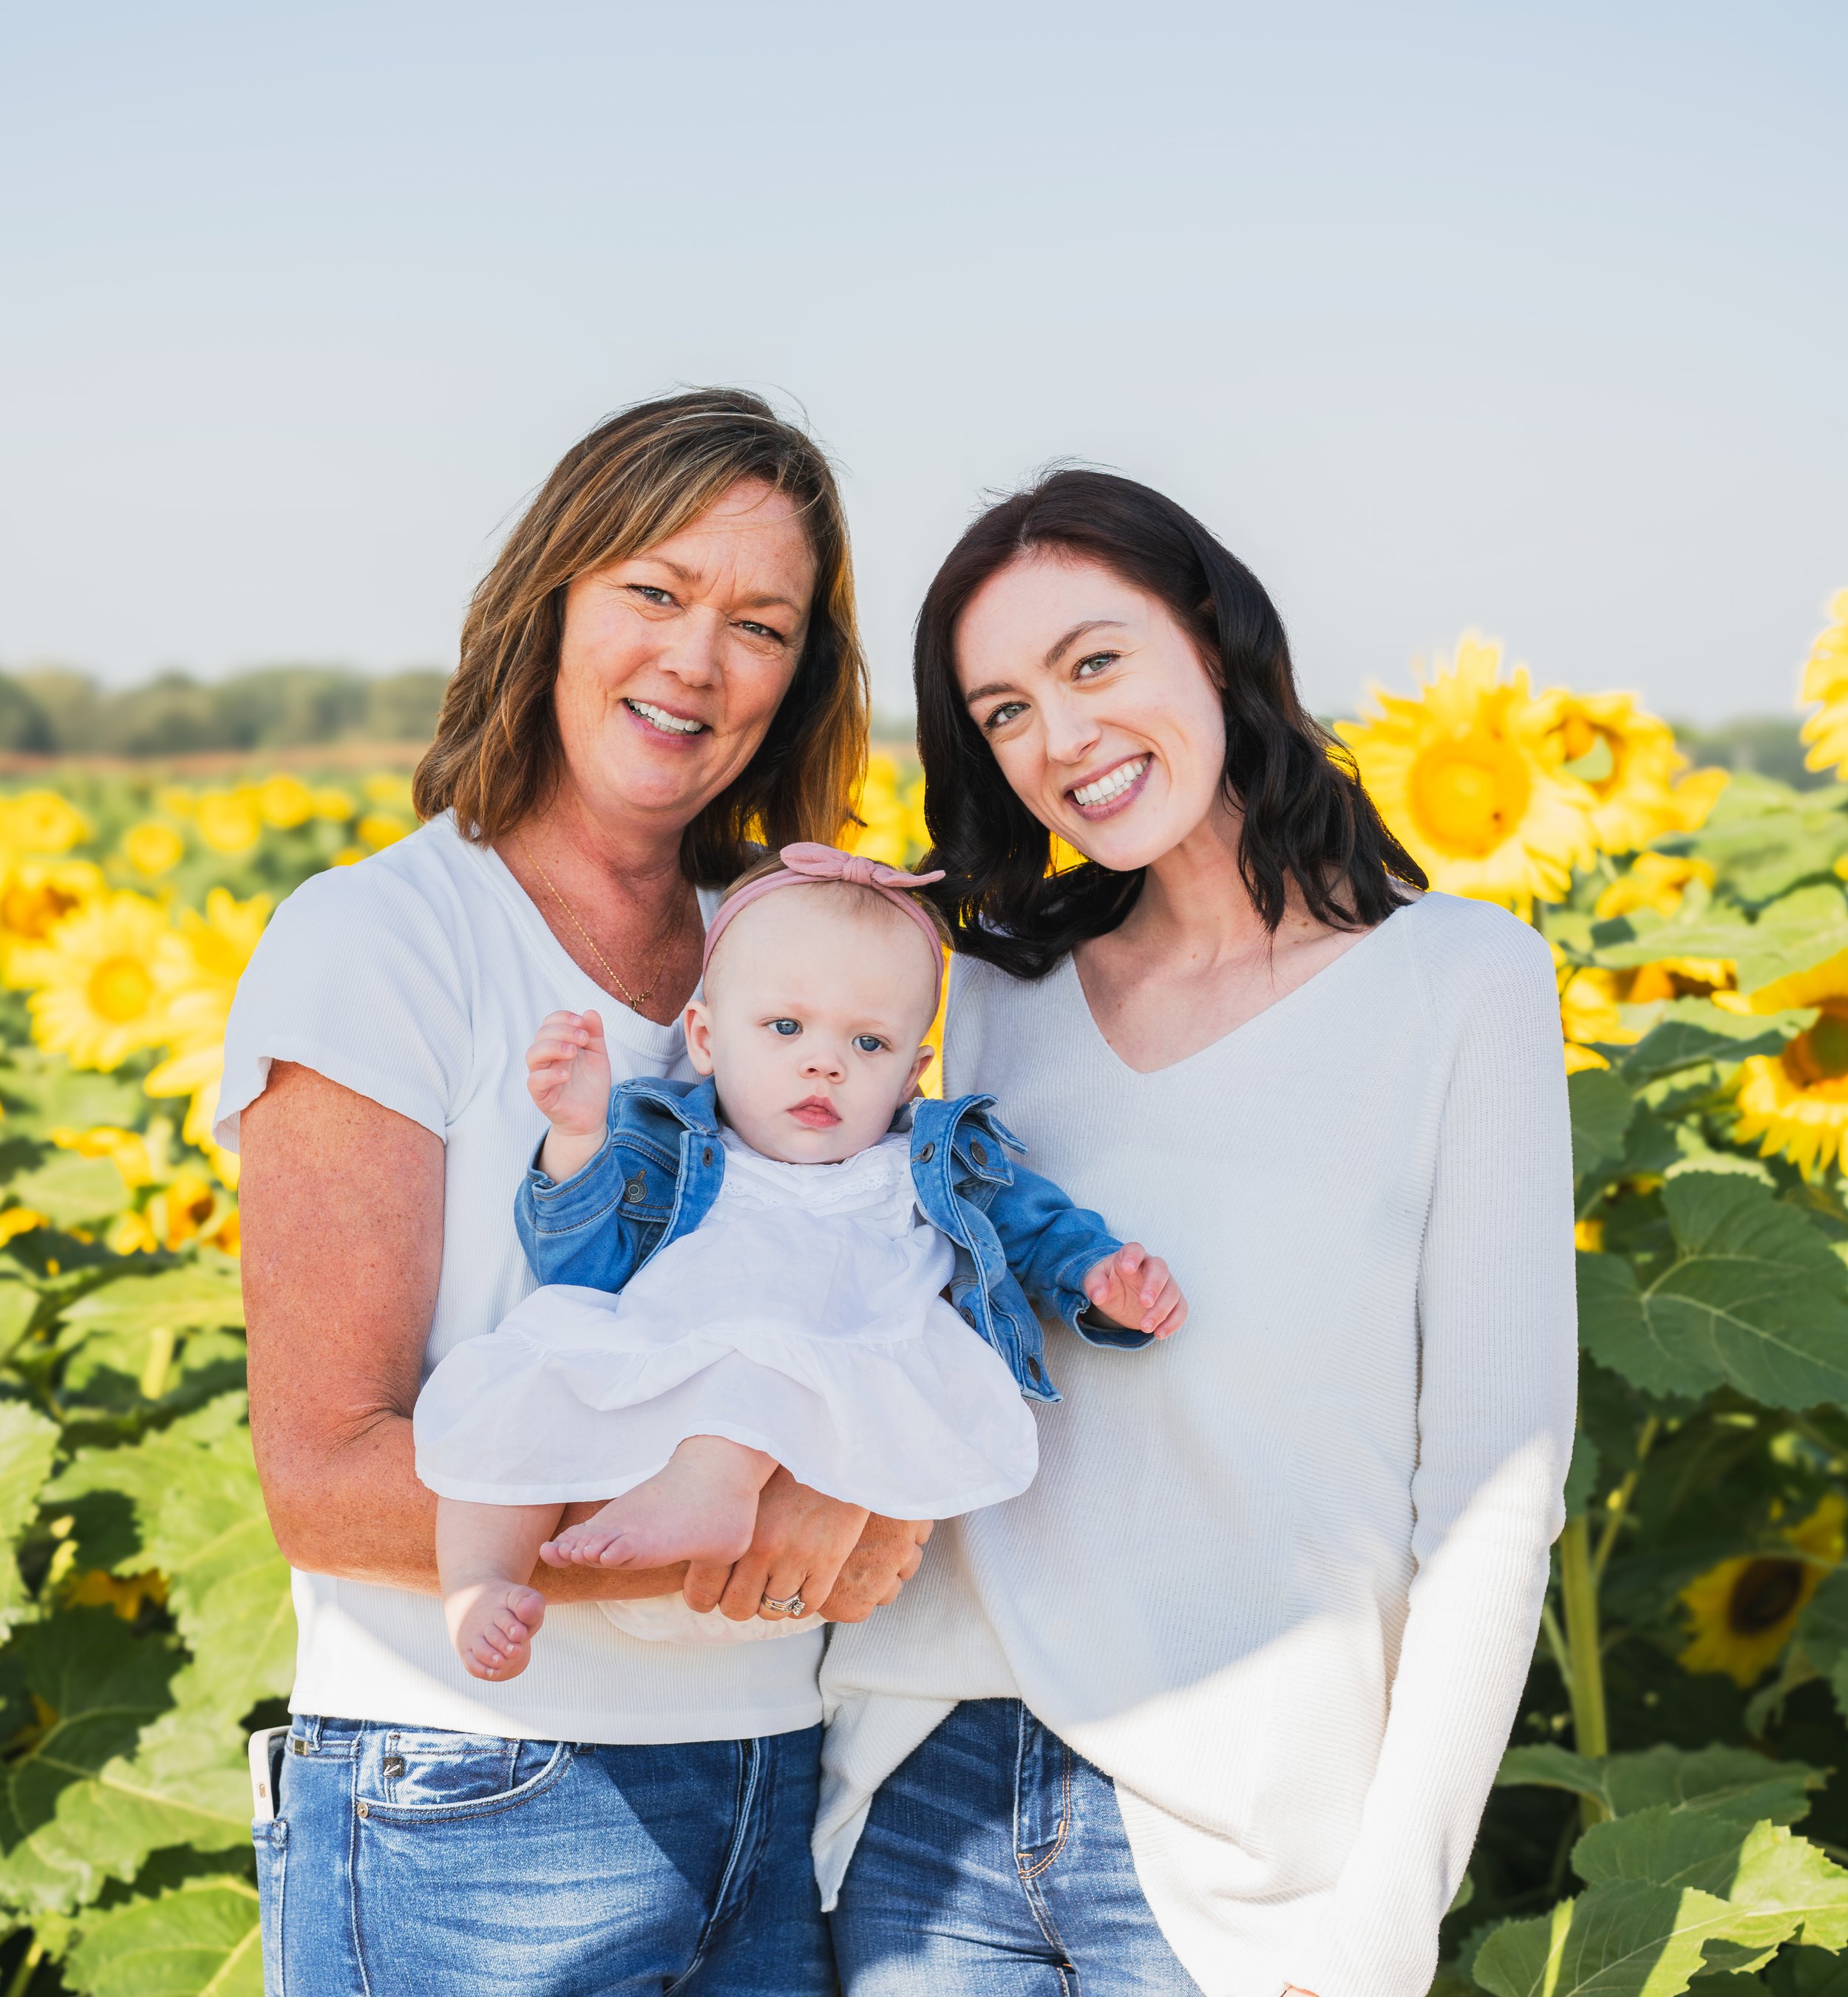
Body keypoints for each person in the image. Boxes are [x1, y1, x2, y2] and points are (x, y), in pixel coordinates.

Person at [821, 469, 1577, 1997]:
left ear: (1216, 643)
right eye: (1003, 709)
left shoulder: (1458, 983)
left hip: (1243, 1851)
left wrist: (1380, 1923)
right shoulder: (991, 999)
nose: (1061, 737)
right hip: (925, 1788)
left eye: (1093, 661)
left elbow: (1494, 1494)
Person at [225, 389, 928, 1996]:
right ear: (549, 600)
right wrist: (748, 1509)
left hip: (775, 1781)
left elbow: (867, 1298)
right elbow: (324, 1481)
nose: (697, 658)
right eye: (654, 591)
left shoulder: (795, 957)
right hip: (472, 1798)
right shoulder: (386, 942)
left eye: (760, 622)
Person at [415, 841, 1186, 1679]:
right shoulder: (677, 1157)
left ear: (910, 1076)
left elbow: (1034, 1231)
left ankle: (711, 1488)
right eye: (785, 1027)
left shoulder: (919, 1169)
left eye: (868, 1042)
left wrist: (1097, 1278)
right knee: (515, 1383)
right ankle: (481, 1580)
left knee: (767, 1335)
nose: (825, 1061)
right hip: (664, 1380)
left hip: (833, 1395)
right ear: (705, 1039)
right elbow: (581, 1269)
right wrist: (577, 1136)